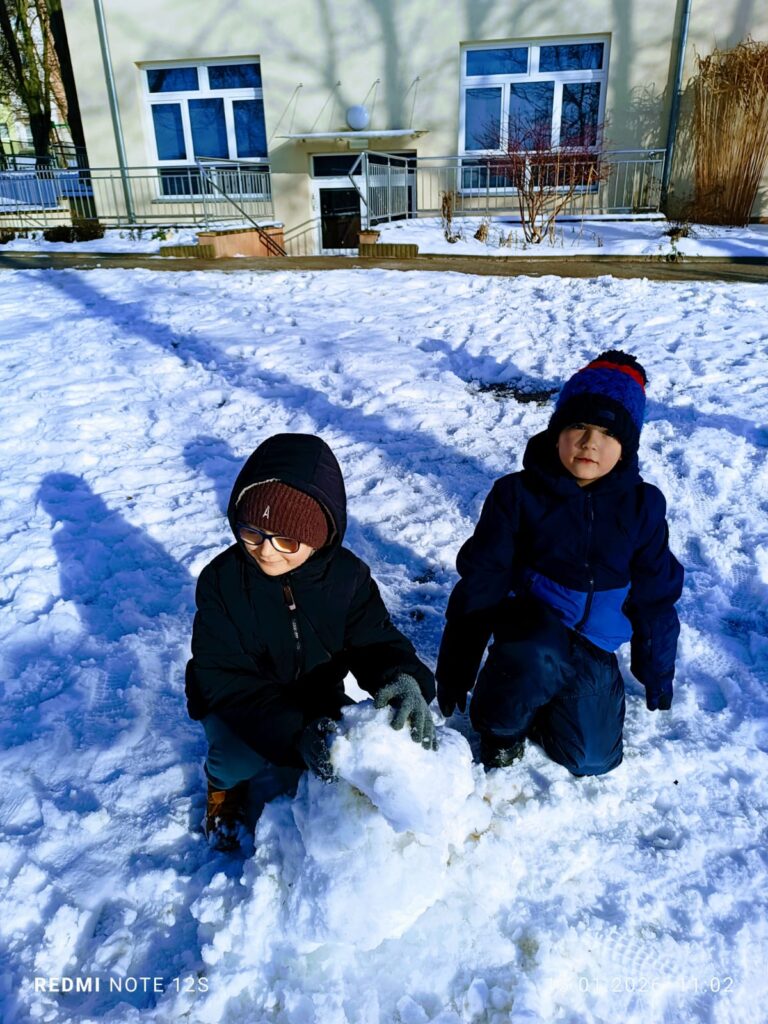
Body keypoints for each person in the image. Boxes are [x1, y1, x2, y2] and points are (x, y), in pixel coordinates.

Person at [436, 350, 684, 776]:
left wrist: (656, 669)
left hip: (594, 643)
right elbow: (483, 580)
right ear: (556, 433)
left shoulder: (643, 507)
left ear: (626, 447)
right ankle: (502, 729)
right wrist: (457, 664)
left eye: (607, 433)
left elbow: (655, 596)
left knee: (592, 758)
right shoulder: (517, 496)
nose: (590, 442)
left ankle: (553, 706)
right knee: (536, 660)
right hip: (531, 629)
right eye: (578, 426)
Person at [186, 432, 436, 851]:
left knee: (354, 751)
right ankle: (222, 788)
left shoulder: (347, 580)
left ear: (319, 537)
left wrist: (403, 677)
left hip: (316, 694)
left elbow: (374, 641)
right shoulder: (221, 581)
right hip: (238, 703)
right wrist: (295, 731)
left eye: (286, 540)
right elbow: (225, 678)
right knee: (236, 757)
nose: (265, 552)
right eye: (251, 533)